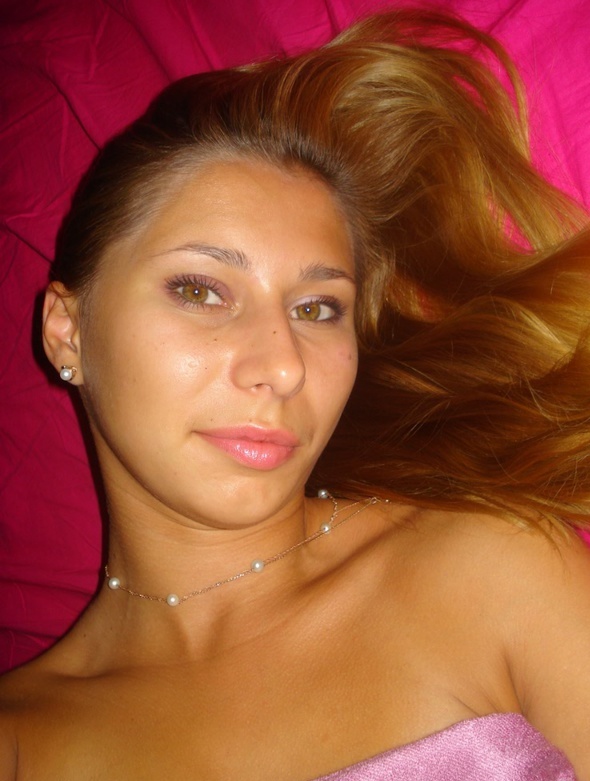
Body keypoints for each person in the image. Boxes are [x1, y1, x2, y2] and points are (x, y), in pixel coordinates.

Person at [1, 8, 590, 779]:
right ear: (66, 332)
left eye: (317, 308)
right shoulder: (23, 740)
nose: (282, 365)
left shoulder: (487, 567)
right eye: (201, 290)